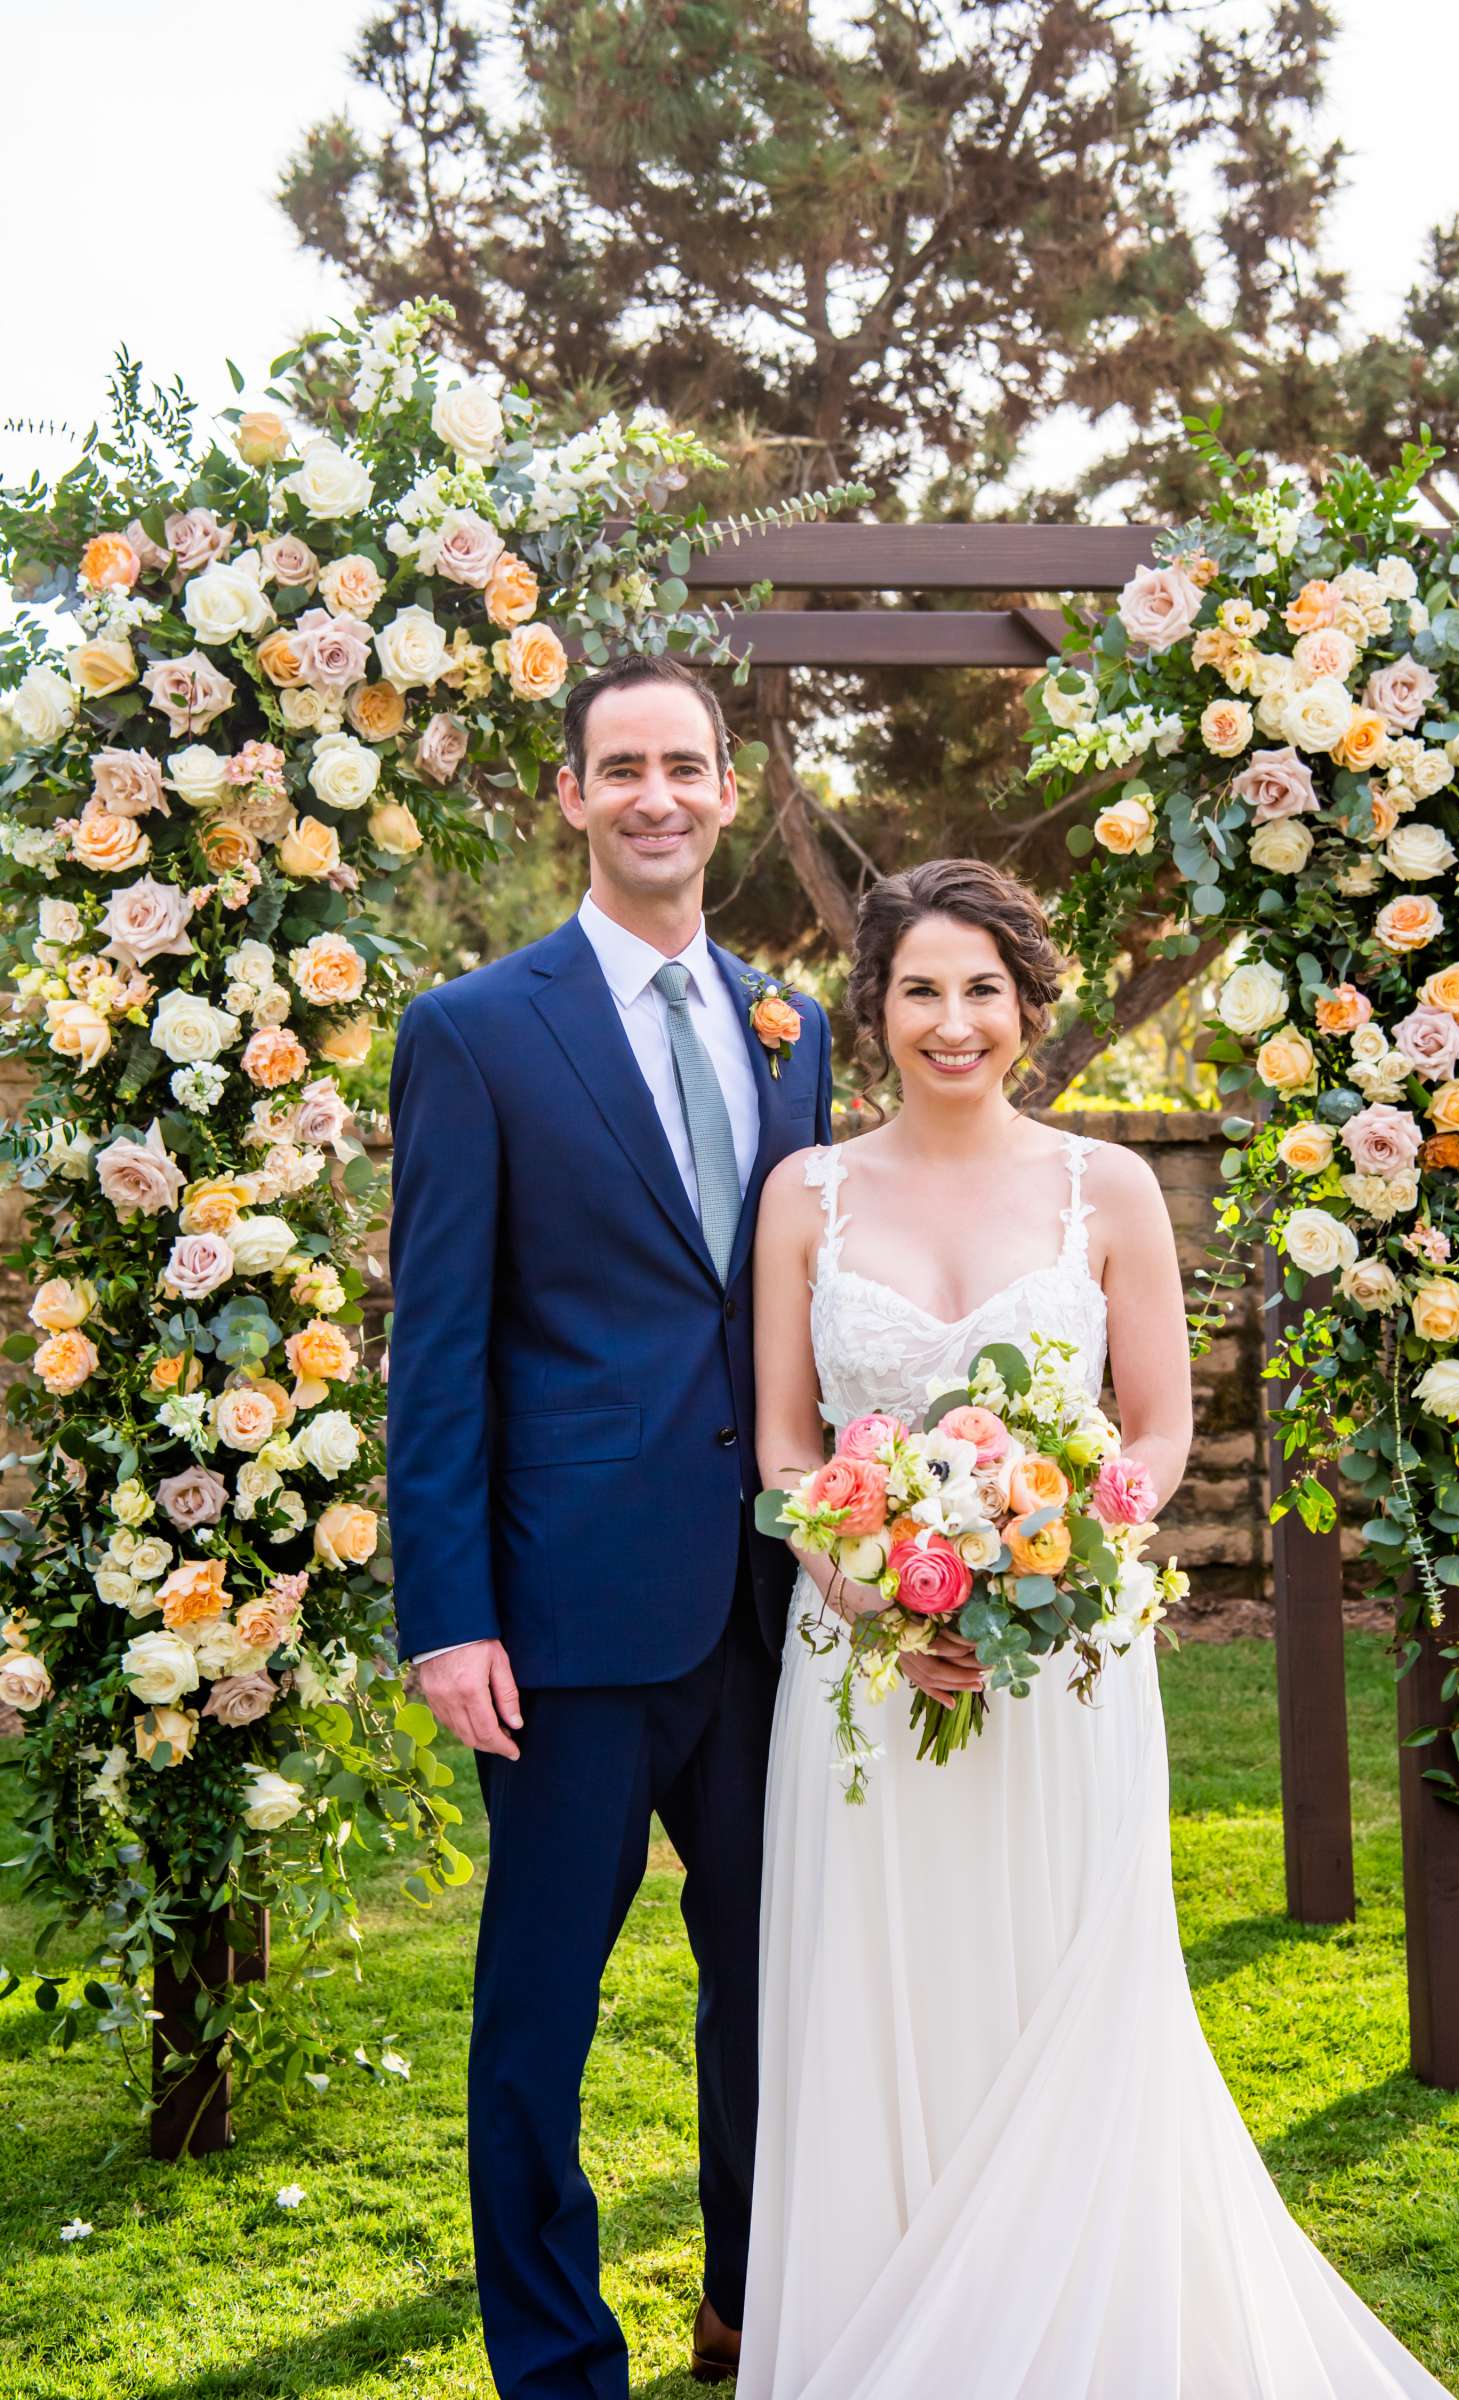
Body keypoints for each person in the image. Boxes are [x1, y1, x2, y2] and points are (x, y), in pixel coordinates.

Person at [743, 857, 1456, 2399]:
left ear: (1028, 1007)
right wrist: (864, 1581)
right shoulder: (802, 1196)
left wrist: (1040, 1572)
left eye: (980, 990)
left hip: (1062, 1668)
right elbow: (787, 1449)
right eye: (920, 990)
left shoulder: (1106, 1188)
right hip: (859, 1670)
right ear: (872, 1010)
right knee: (880, 1995)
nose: (952, 1022)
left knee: (1059, 1990)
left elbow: (1153, 1427)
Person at [384, 654, 833, 2398]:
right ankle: (556, 2353)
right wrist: (448, 1613)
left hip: (771, 1605)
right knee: (537, 2014)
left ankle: (749, 2297)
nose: (657, 794)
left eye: (687, 766)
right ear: (568, 798)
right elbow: (438, 1348)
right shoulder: (476, 1030)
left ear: (728, 791)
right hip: (560, 1615)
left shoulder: (786, 1022)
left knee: (772, 1985)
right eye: (620, 767)